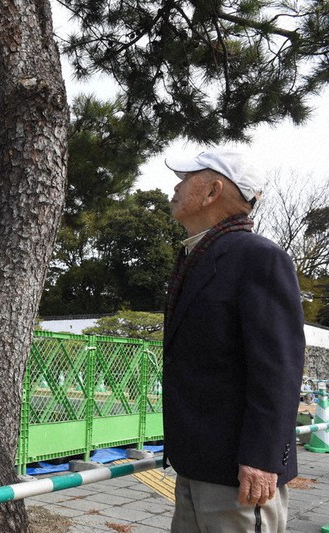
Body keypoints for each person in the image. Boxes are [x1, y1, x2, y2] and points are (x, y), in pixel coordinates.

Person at [162, 148, 305, 532]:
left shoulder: (258, 257)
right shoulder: (200, 255)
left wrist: (262, 458)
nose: (174, 186)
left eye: (186, 178)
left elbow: (279, 369)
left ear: (212, 191)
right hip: (197, 464)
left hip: (240, 475)